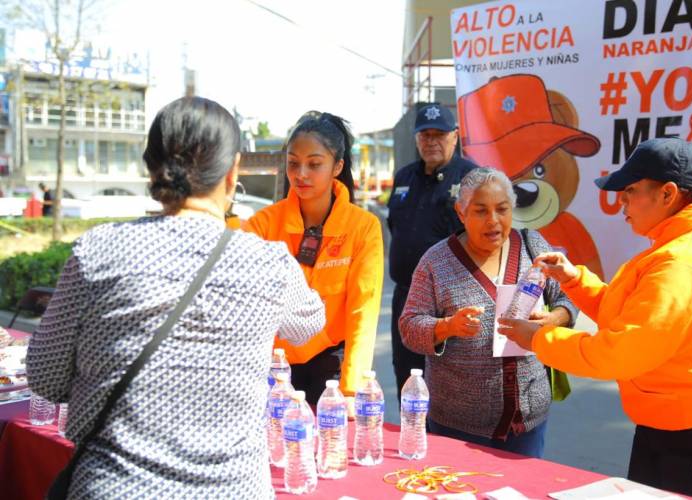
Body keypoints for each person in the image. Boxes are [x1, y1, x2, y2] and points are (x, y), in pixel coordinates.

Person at [26, 96, 325, 499]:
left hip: (115, 487)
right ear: (232, 169)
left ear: (152, 166)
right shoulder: (268, 262)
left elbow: (46, 378)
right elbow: (309, 324)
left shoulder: (98, 251)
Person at [500, 137, 692, 498]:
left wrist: (538, 339)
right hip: (685, 430)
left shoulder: (682, 262)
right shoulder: (680, 247)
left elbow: (620, 352)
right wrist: (576, 280)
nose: (622, 203)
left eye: (630, 191)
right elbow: (634, 319)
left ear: (668, 194)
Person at [399, 167, 577, 457]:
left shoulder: (533, 247)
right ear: (461, 212)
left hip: (526, 419)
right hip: (457, 422)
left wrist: (555, 318)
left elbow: (568, 296)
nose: (493, 221)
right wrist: (447, 326)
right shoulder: (436, 261)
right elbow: (409, 326)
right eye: (480, 211)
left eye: (502, 209)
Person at [244, 111, 383, 413]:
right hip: (273, 370)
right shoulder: (262, 225)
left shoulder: (363, 227)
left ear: (338, 167)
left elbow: (364, 311)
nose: (301, 173)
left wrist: (350, 390)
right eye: (293, 163)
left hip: (331, 369)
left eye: (314, 164)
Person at [388, 103, 477, 401]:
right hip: (406, 297)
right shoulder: (404, 178)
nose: (431, 141)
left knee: (447, 387)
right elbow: (395, 228)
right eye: (424, 135)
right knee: (407, 377)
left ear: (455, 136)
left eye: (439, 134)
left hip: (449, 302)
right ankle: (412, 440)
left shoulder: (472, 179)